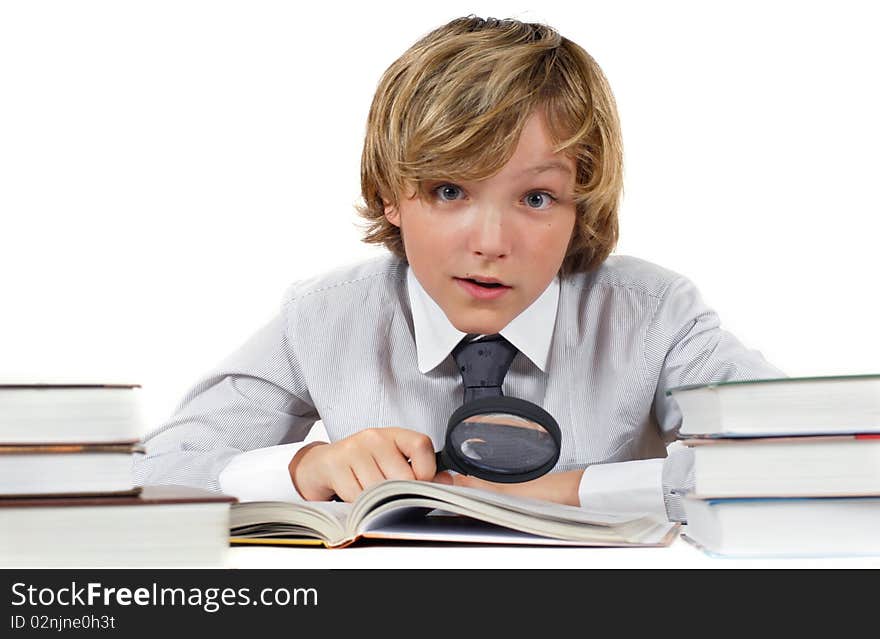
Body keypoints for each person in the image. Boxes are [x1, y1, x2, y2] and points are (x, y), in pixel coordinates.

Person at [135, 15, 784, 522]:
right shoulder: (327, 314)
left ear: (580, 205)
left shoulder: (653, 314)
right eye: (450, 191)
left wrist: (575, 489)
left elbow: (799, 457)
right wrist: (309, 466)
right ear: (390, 192)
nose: (491, 242)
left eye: (536, 198)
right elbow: (159, 466)